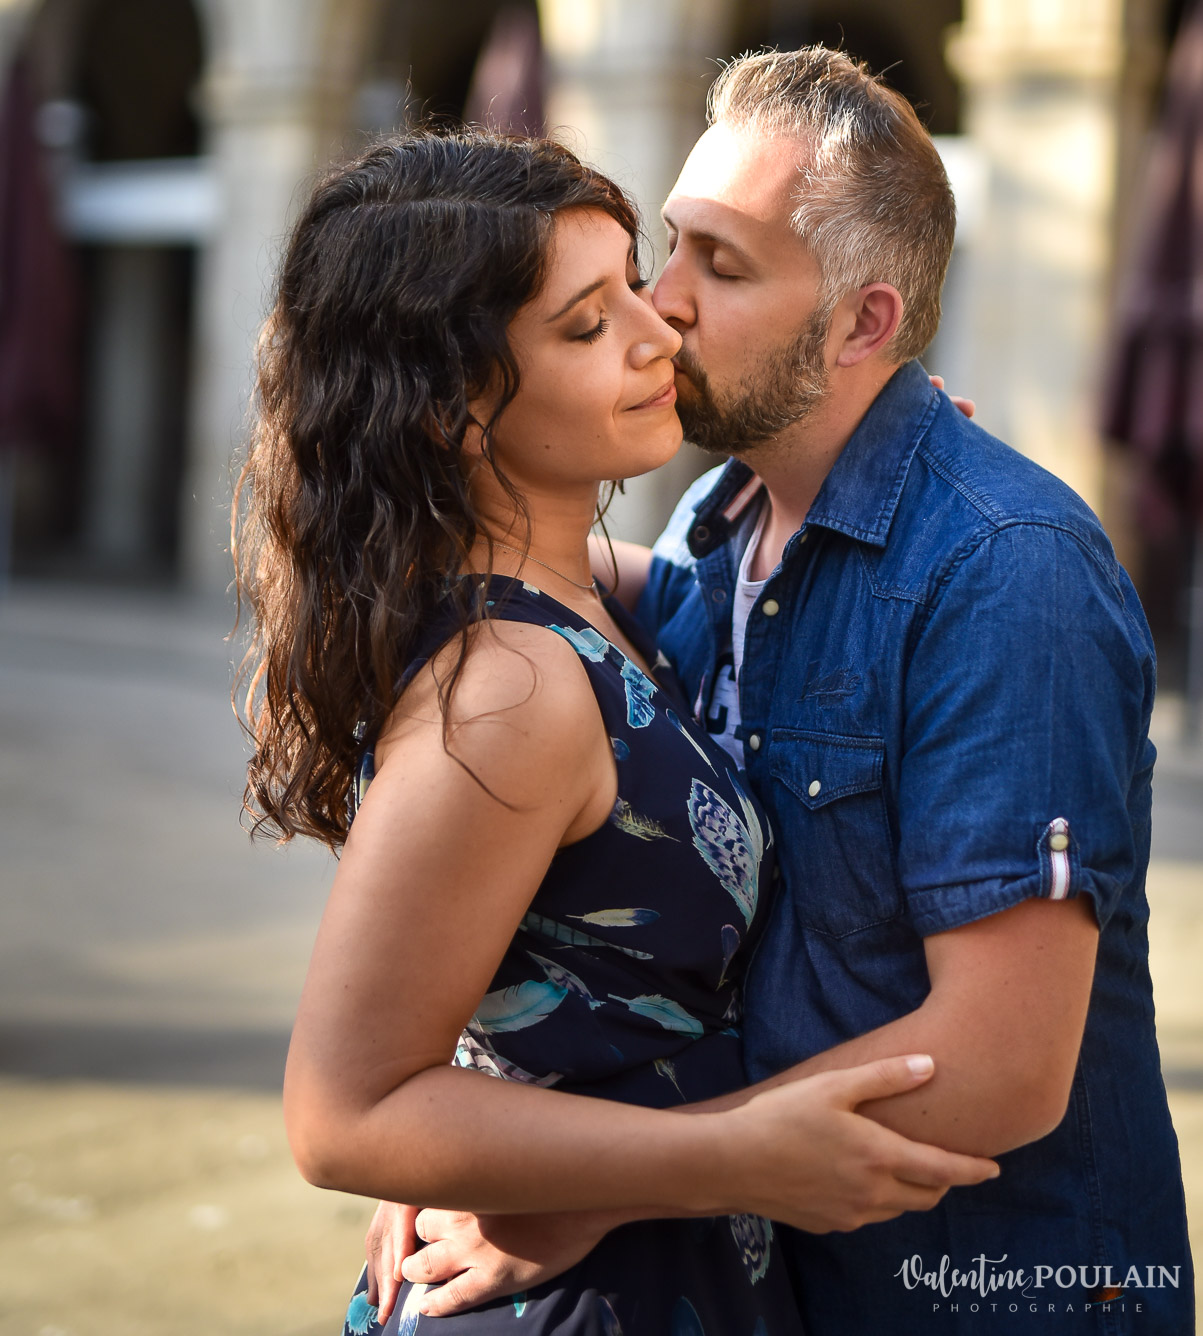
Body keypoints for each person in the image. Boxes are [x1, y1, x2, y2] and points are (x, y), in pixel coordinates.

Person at [378, 51, 1192, 1331]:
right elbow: (520, 555)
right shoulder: (716, 521)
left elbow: (1000, 1068)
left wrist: (611, 1181)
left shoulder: (1006, 572)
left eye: (725, 264)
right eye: (673, 245)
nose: (662, 302)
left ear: (865, 324)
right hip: (768, 1286)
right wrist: (476, 1142)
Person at [235, 130, 996, 1336]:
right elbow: (343, 1115)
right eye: (586, 327)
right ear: (451, 408)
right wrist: (729, 1157)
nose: (658, 333)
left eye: (635, 283)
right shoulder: (511, 695)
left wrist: (883, 440)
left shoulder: (581, 591)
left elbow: (742, 579)